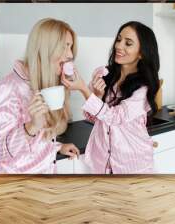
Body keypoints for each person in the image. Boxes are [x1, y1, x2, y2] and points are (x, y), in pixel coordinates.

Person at [62, 21, 160, 174]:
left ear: (141, 52)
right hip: (102, 161)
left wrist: (83, 89)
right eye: (119, 39)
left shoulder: (143, 88)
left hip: (133, 164)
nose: (119, 46)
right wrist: (98, 95)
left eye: (128, 43)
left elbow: (115, 118)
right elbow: (92, 118)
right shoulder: (105, 75)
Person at [0, 18, 80, 174]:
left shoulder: (42, 83)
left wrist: (57, 147)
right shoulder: (8, 88)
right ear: (45, 48)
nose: (70, 55)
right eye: (65, 47)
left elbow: (38, 142)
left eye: (71, 47)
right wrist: (31, 127)